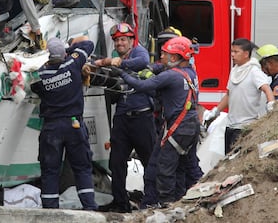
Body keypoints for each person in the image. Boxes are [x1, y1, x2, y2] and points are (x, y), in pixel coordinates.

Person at [115, 36, 201, 207]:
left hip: (177, 128)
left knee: (165, 169)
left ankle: (167, 204)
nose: (161, 57)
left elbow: (142, 87)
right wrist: (149, 70)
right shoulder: (190, 72)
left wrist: (123, 73)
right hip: (189, 126)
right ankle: (182, 200)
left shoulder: (171, 76)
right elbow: (162, 88)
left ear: (175, 58)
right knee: (183, 168)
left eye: (164, 54)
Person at [30, 36, 98, 210]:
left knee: (50, 170)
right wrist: (68, 50)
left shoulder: (41, 75)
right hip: (74, 125)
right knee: (82, 168)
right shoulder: (72, 65)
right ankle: (90, 208)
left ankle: (50, 211)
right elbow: (88, 44)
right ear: (63, 54)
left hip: (51, 128)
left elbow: (33, 86)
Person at [95, 22, 156, 213]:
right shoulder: (116, 58)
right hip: (122, 118)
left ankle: (152, 200)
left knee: (150, 161)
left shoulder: (138, 52)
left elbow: (141, 63)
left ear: (131, 41)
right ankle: (120, 203)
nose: (120, 43)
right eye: (117, 41)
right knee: (116, 162)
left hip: (142, 118)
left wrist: (117, 63)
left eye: (123, 40)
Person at [206, 38, 275, 155]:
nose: (232, 55)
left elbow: (266, 89)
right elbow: (229, 95)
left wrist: (271, 105)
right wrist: (215, 111)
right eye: (231, 51)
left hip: (245, 128)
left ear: (246, 54)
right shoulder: (234, 71)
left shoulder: (254, 71)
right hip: (230, 126)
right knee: (227, 158)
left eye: (236, 52)